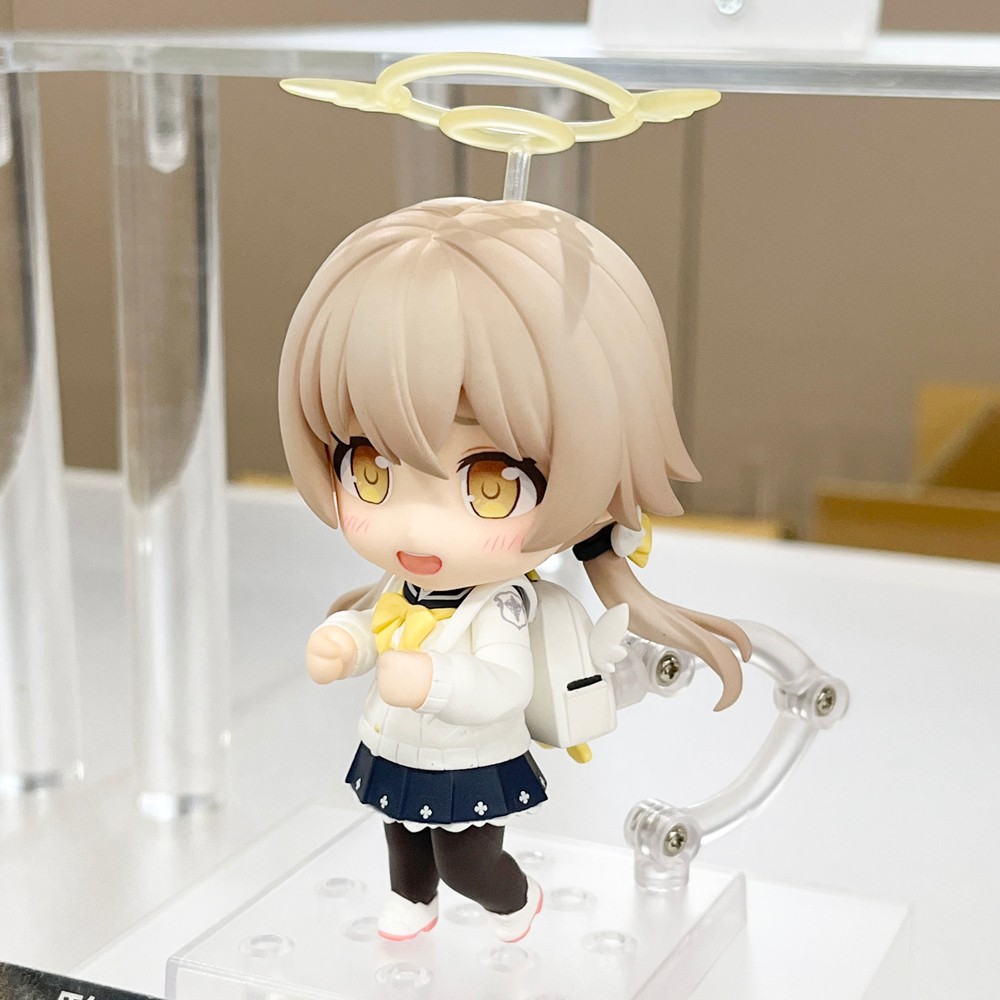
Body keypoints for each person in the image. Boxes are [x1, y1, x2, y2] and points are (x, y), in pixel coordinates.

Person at [278, 197, 750, 943]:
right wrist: (347, 643)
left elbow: (502, 683)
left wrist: (433, 682)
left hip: (467, 754)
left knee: (466, 856)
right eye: (368, 469)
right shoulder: (403, 583)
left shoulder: (500, 605)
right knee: (400, 832)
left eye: (489, 485)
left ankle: (513, 902)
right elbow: (379, 623)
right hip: (399, 740)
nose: (416, 525)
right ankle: (411, 901)